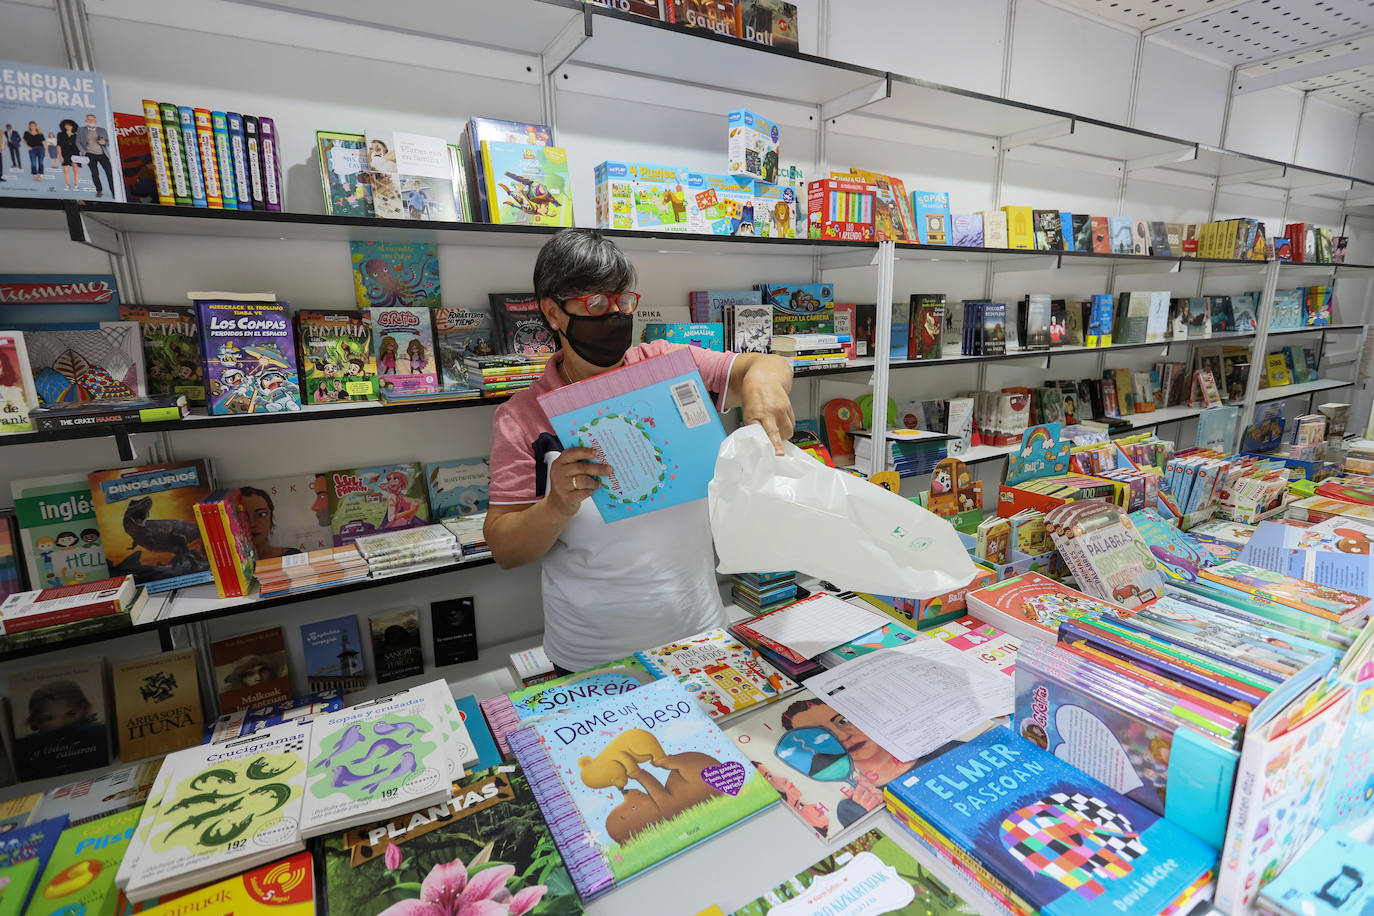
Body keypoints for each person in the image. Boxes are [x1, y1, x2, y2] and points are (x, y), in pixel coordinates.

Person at [485, 229, 794, 675]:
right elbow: (505, 548)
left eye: (622, 302)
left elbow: (765, 364)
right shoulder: (522, 418)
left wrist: (763, 382)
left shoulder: (667, 365)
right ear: (553, 312)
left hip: (702, 632)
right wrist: (556, 505)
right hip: (591, 656)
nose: (613, 316)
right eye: (594, 304)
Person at [239, 486, 301, 559]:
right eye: (244, 516)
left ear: (271, 517)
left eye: (261, 514)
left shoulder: (293, 556)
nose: (252, 524)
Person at [77, 113, 114, 198]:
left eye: (93, 120)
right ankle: (99, 190)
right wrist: (84, 152)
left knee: (110, 173)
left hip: (103, 154)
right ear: (86, 121)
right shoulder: (81, 130)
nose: (91, 121)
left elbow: (108, 142)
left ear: (96, 121)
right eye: (89, 120)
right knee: (95, 173)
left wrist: (104, 143)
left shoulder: (102, 130)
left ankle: (114, 192)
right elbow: (78, 142)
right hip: (90, 155)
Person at [56, 118, 80, 191]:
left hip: (75, 153)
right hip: (65, 153)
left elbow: (79, 146)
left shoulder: (76, 135)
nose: (67, 126)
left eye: (69, 125)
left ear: (73, 126)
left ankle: (76, 186)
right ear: (63, 126)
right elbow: (58, 145)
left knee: (76, 170)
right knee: (65, 170)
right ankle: (68, 185)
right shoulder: (60, 134)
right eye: (66, 125)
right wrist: (60, 155)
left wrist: (81, 154)